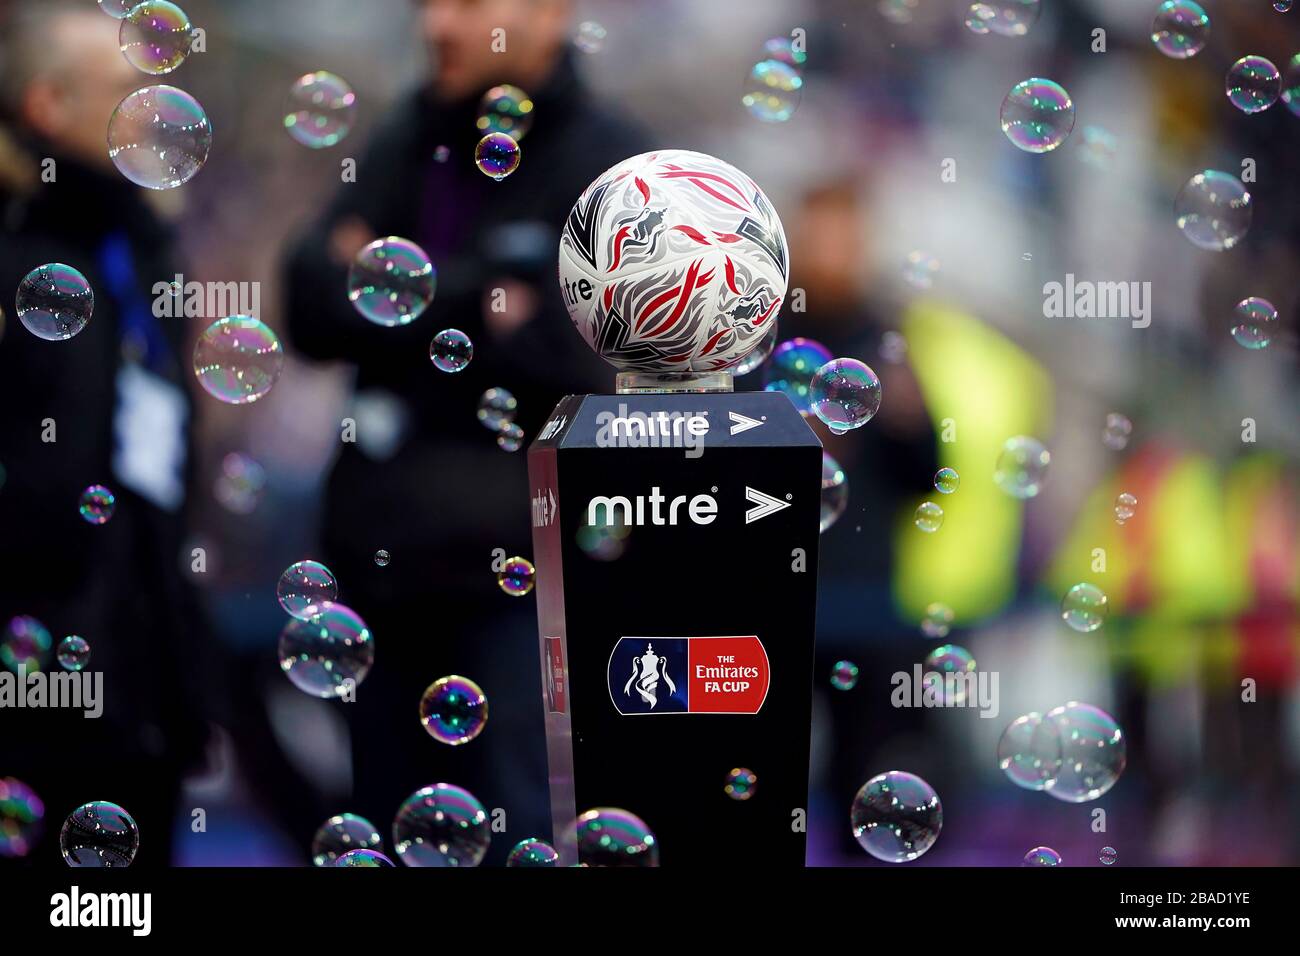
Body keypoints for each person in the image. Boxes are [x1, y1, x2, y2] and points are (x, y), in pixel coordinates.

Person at [283, 0, 651, 862]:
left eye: (471, 3)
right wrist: (487, 290)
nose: (438, 25)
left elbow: (591, 351)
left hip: (525, 580)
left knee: (517, 819)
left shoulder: (612, 162)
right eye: (430, 3)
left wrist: (401, 285)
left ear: (554, 15)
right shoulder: (407, 134)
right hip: (381, 562)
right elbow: (308, 301)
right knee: (386, 820)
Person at [0, 2, 215, 867]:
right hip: (33, 666)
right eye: (127, 92)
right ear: (50, 106)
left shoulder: (140, 247)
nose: (153, 114)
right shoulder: (18, 251)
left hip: (142, 663)